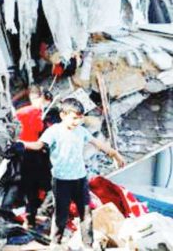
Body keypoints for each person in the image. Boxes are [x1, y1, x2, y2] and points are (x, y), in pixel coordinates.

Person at [19, 98, 125, 247]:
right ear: (63, 115)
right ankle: (55, 244)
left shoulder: (81, 131)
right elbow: (38, 145)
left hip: (80, 179)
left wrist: (114, 153)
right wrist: (21, 144)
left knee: (86, 215)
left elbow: (98, 143)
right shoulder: (54, 131)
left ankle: (88, 245)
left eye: (80, 118)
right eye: (74, 118)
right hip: (61, 180)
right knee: (61, 215)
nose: (77, 121)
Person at [14, 86, 52, 229]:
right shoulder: (36, 112)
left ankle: (30, 219)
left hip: (20, 152)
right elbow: (37, 130)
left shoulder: (20, 112)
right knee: (44, 185)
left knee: (29, 186)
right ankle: (40, 214)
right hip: (33, 151)